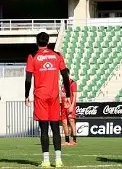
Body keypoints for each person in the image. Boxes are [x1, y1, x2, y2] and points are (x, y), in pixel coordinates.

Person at [25, 31, 70, 168]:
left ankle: (45, 160)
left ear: (37, 42)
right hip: (54, 96)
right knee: (55, 128)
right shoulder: (57, 55)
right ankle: (58, 160)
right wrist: (67, 94)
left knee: (43, 129)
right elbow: (65, 75)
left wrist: (26, 95)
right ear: (48, 42)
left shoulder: (32, 56)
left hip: (40, 96)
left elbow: (28, 79)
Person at [60, 77, 78, 146]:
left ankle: (74, 140)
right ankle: (67, 140)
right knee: (64, 122)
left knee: (71, 121)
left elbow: (74, 96)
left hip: (70, 106)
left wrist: (72, 106)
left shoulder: (72, 83)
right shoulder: (63, 83)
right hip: (63, 106)